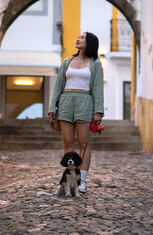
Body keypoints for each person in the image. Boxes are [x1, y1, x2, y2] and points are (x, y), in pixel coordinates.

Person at [48, 32, 104, 193]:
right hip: (66, 102)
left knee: (83, 143)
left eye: (82, 37)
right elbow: (58, 85)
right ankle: (71, 178)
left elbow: (98, 89)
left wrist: (98, 111)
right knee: (68, 143)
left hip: (85, 102)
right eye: (78, 36)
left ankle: (83, 181)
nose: (78, 39)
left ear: (90, 43)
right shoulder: (66, 62)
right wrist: (53, 107)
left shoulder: (96, 64)